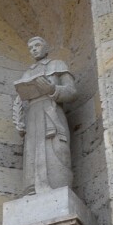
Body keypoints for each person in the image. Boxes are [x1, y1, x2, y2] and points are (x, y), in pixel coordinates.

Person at [12, 37, 77, 195]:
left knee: (56, 149)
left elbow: (72, 92)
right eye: (30, 47)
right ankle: (32, 189)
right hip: (32, 116)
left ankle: (58, 186)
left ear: (46, 48)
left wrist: (52, 89)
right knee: (32, 153)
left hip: (52, 113)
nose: (33, 49)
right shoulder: (27, 73)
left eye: (37, 45)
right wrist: (20, 122)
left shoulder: (57, 65)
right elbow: (19, 101)